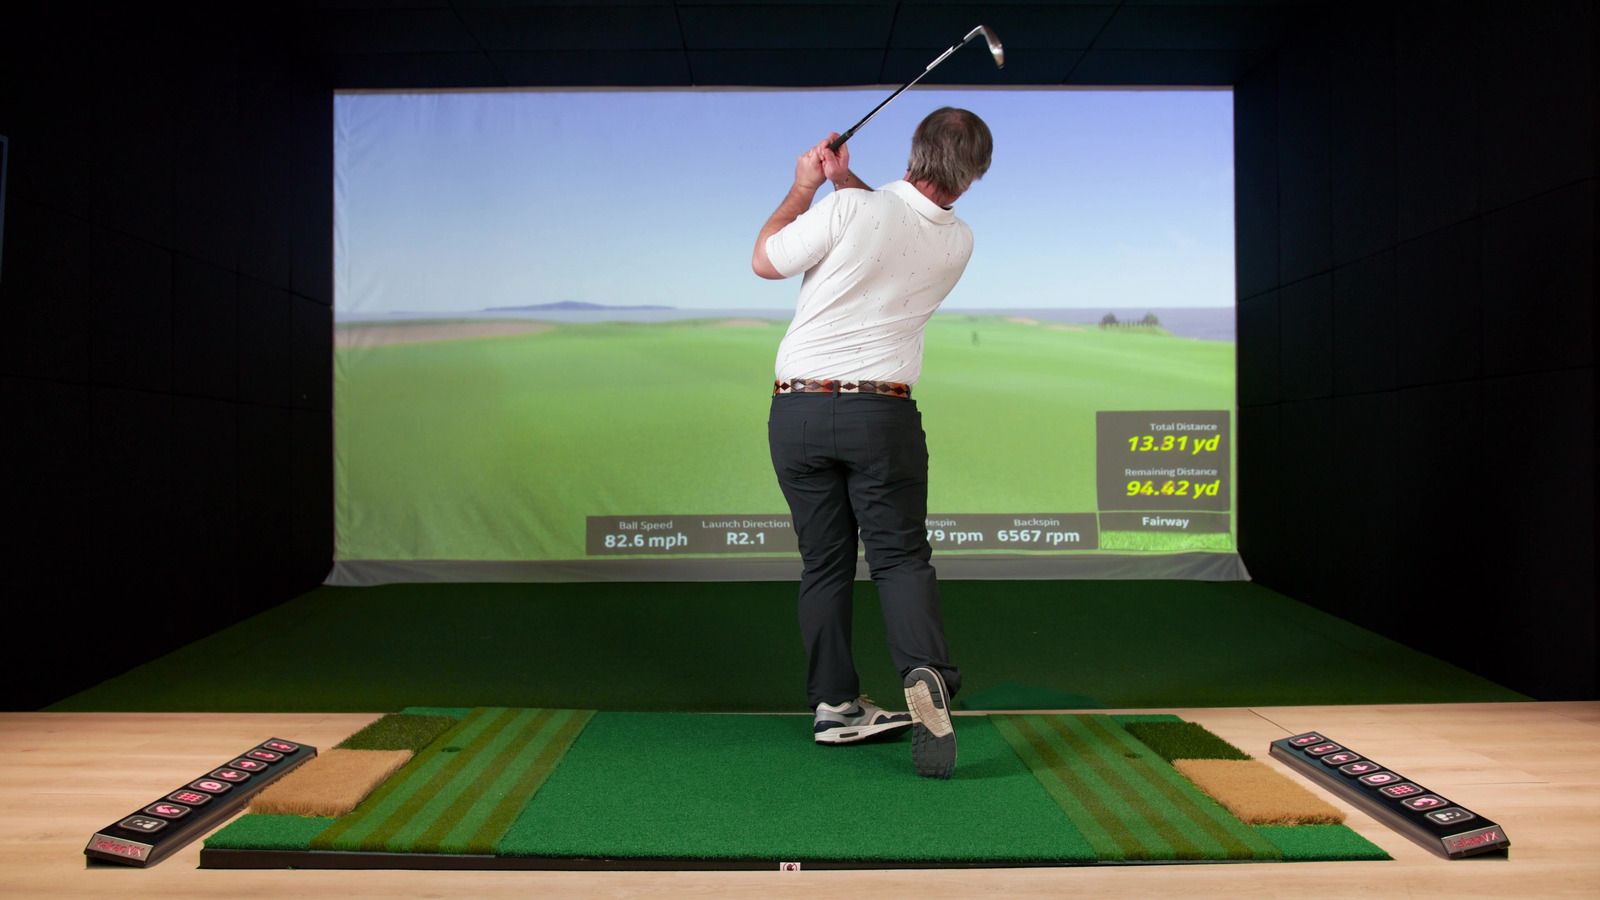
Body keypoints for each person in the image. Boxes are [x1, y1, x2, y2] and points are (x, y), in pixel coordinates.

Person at [751, 107, 993, 779]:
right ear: (973, 177)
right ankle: (926, 674)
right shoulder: (960, 240)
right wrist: (845, 178)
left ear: (914, 150)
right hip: (881, 417)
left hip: (797, 411)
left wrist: (806, 185)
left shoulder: (848, 212)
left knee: (824, 564)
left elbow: (764, 260)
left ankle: (833, 705)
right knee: (899, 560)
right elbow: (890, 222)